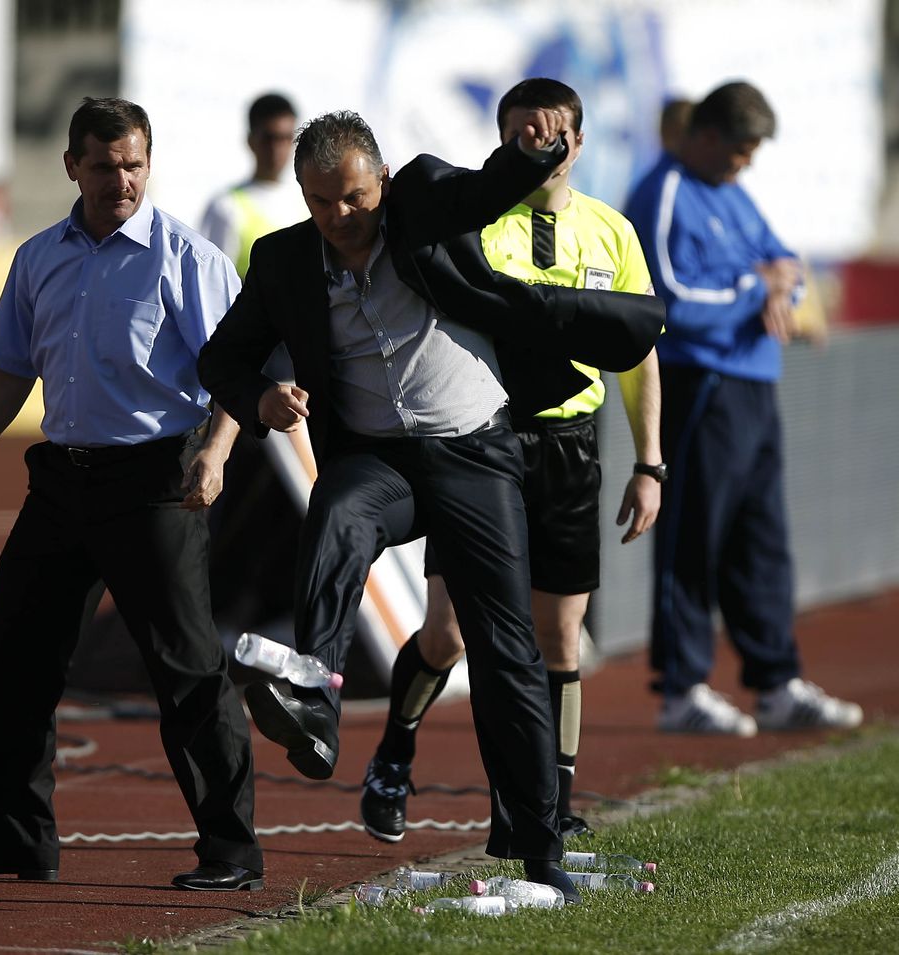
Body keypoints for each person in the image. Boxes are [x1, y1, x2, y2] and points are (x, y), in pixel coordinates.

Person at [198, 109, 664, 902]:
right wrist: (263, 395)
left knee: (506, 650)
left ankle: (539, 846)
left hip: (475, 451)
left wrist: (534, 151)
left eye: (351, 198)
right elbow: (221, 356)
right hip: (378, 459)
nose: (337, 218)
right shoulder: (282, 261)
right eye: (318, 202)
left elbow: (493, 186)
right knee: (336, 512)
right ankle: (314, 689)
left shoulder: (420, 200)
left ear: (379, 180)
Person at [0, 97, 264, 892]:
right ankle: (14, 838)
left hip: (157, 485)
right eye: (105, 166)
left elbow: (237, 376)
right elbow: (11, 364)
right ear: (71, 166)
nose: (122, 180)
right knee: (12, 655)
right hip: (61, 481)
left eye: (135, 164)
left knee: (186, 670)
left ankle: (233, 852)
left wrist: (213, 455)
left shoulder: (185, 257)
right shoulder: (39, 256)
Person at [358, 78, 663, 845]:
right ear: (500, 146)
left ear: (581, 142)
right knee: (449, 634)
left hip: (571, 447)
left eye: (555, 135)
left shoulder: (613, 232)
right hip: (480, 443)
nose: (542, 149)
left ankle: (552, 798)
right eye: (523, 136)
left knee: (562, 636)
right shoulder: (475, 222)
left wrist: (650, 463)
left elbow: (638, 357)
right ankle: (395, 751)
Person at [625, 81, 862, 736]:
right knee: (694, 536)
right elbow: (667, 298)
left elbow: (789, 262)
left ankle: (776, 680)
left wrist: (778, 285)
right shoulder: (665, 191)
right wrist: (753, 288)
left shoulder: (733, 192)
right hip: (704, 383)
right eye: (738, 152)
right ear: (704, 136)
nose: (745, 166)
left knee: (762, 538)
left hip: (755, 381)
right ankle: (681, 689)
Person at [199, 92, 310, 279]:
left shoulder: (309, 200)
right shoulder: (225, 206)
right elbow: (214, 284)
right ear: (251, 140)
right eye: (269, 138)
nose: (277, 149)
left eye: (285, 138)